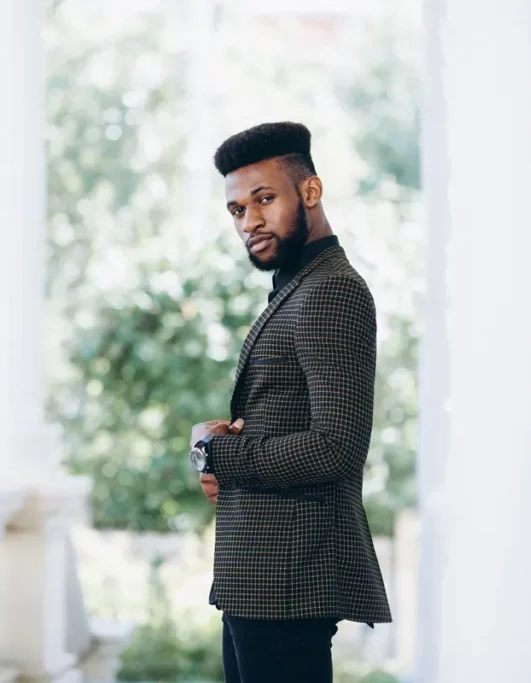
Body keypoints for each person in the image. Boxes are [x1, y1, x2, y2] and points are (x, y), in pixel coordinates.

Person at [188, 122, 392, 682]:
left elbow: (337, 448)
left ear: (310, 191)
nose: (249, 220)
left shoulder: (331, 290)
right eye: (236, 210)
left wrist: (217, 454)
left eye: (264, 199)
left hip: (290, 581)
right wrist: (213, 441)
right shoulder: (298, 287)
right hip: (261, 581)